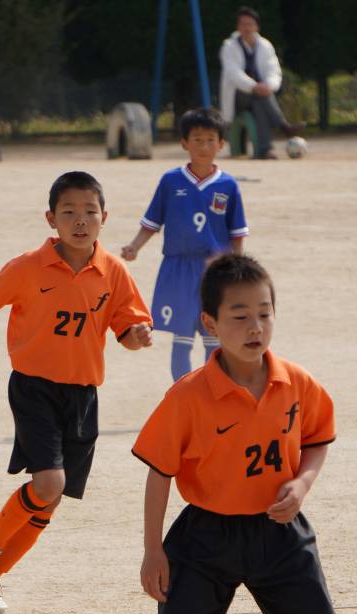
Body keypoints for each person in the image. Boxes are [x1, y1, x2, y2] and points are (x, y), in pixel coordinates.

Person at [117, 255, 357, 614]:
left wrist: (302, 484)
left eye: (264, 312)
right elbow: (159, 473)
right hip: (204, 538)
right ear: (209, 323)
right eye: (239, 316)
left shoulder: (296, 383)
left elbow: (318, 440)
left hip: (279, 536)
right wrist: (152, 550)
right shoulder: (188, 395)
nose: (255, 326)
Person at [0, 171, 153, 614]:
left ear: (104, 218)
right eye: (69, 212)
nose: (80, 221)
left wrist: (137, 337)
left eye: (89, 211)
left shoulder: (114, 272)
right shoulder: (27, 267)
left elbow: (126, 330)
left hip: (83, 395)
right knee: (49, 483)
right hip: (34, 388)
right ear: (51, 219)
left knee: (49, 502)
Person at [121, 108, 248, 381]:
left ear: (221, 144)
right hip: (178, 267)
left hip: (214, 269)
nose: (204, 146)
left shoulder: (228, 185)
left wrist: (237, 268)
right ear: (184, 143)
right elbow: (153, 221)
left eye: (210, 140)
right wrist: (135, 246)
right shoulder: (171, 181)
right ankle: (183, 392)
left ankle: (212, 389)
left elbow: (237, 233)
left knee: (213, 334)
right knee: (182, 336)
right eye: (197, 140)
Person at [218, 6, 302, 159]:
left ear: (257, 26)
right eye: (243, 24)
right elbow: (233, 73)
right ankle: (283, 126)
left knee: (259, 104)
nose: (247, 28)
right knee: (260, 96)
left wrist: (269, 86)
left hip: (260, 95)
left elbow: (274, 69)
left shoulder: (265, 45)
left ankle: (265, 150)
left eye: (250, 24)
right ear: (238, 27)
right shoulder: (229, 47)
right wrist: (254, 86)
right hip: (238, 95)